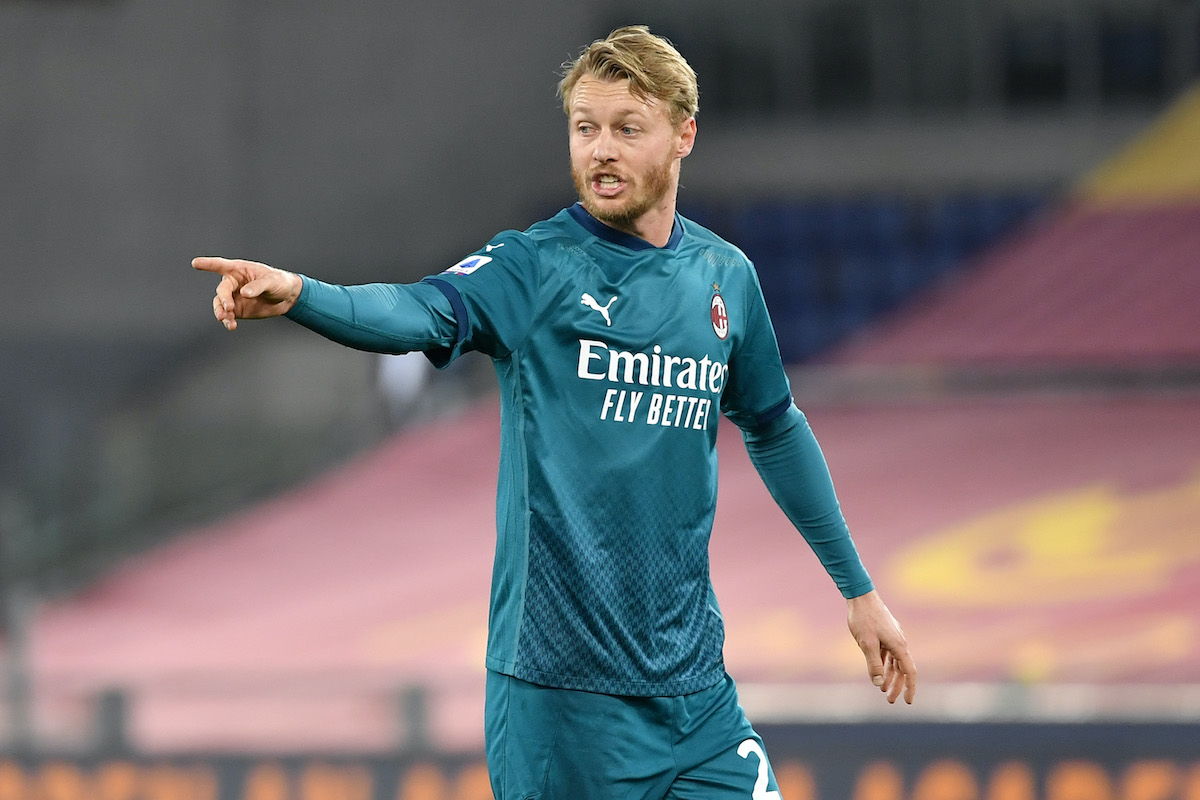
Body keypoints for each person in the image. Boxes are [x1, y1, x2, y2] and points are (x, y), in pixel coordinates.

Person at [195, 25, 916, 799]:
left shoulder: (724, 276)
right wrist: (304, 295)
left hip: (696, 698)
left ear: (683, 136)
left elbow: (774, 427)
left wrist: (857, 590)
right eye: (584, 128)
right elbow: (416, 311)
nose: (600, 150)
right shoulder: (533, 266)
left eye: (626, 129)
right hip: (561, 704)